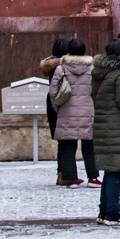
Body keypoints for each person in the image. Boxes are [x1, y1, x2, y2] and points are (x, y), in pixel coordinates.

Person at [91, 39, 120, 225]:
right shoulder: (119, 75)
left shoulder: (99, 74)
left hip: (102, 127)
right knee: (116, 172)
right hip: (116, 128)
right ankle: (111, 213)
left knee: (109, 172)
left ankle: (103, 212)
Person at [50, 38, 98, 187]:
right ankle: (93, 178)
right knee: (89, 145)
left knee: (68, 146)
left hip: (66, 110)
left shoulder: (61, 68)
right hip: (88, 110)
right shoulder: (92, 68)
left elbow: (53, 92)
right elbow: (97, 90)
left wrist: (58, 107)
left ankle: (71, 179)